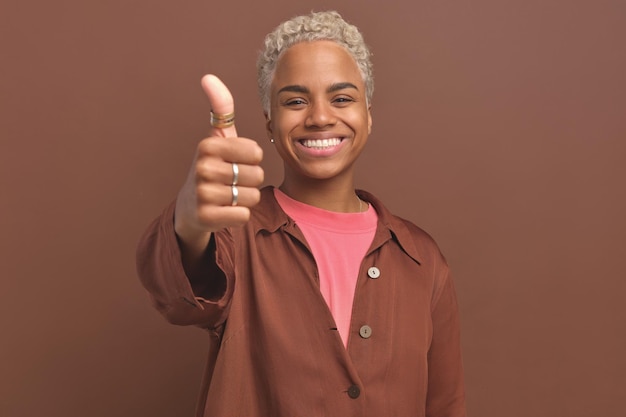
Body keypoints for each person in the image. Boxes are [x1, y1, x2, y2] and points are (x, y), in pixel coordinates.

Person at [136, 10, 466, 417]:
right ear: (270, 122)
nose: (321, 117)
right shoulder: (235, 235)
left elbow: (446, 406)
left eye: (342, 98)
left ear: (368, 115)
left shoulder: (423, 259)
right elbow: (175, 295)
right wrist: (188, 218)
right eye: (295, 101)